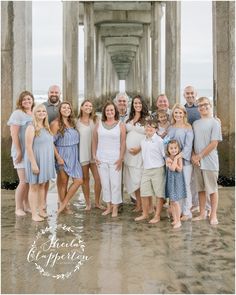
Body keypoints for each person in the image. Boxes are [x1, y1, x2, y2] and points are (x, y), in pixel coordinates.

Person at [191, 97, 222, 225]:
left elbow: (214, 143)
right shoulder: (195, 123)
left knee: (212, 189)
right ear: (198, 108)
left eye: (205, 105)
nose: (203, 107)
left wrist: (199, 156)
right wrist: (194, 156)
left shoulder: (215, 122)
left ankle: (213, 214)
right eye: (200, 105)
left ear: (210, 105)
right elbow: (192, 142)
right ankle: (202, 213)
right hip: (197, 162)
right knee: (201, 189)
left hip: (210, 161)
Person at [92, 101, 126, 217]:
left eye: (112, 110)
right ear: (104, 112)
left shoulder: (120, 125)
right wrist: (94, 155)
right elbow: (95, 141)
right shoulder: (99, 124)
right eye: (107, 110)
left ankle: (115, 208)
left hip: (115, 158)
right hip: (101, 157)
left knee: (115, 184)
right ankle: (108, 207)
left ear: (115, 111)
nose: (109, 112)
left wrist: (121, 158)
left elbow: (123, 142)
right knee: (105, 183)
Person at [50, 101, 83, 214]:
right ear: (60, 110)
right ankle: (64, 207)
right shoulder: (56, 123)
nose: (66, 109)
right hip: (62, 154)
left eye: (68, 108)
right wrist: (58, 157)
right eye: (64, 108)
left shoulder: (72, 122)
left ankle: (63, 204)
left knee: (79, 180)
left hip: (74, 154)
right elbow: (51, 142)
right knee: (63, 182)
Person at [24, 104, 56, 221]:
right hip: (35, 160)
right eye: (39, 111)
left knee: (43, 185)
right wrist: (33, 163)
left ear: (46, 114)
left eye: (43, 111)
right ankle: (34, 214)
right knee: (34, 186)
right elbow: (28, 147)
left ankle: (41, 209)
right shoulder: (31, 127)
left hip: (45, 161)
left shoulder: (46, 127)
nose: (41, 113)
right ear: (35, 113)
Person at [7, 91, 35, 216]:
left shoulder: (34, 113)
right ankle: (18, 207)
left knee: (28, 180)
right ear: (20, 102)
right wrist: (18, 151)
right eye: (24, 100)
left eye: (29, 99)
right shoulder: (17, 114)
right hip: (20, 151)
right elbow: (13, 134)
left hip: (30, 152)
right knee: (23, 181)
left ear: (33, 100)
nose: (27, 101)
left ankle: (27, 205)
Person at [134, 119, 166, 224]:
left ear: (156, 129)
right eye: (147, 126)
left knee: (159, 194)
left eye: (152, 126)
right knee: (144, 193)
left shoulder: (160, 141)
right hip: (146, 170)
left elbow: (165, 155)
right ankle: (145, 214)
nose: (149, 128)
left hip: (158, 169)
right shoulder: (143, 141)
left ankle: (157, 216)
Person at [167, 103, 194, 221]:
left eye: (180, 112)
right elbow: (166, 144)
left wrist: (178, 157)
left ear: (184, 114)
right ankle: (177, 211)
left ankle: (187, 212)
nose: (178, 114)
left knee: (186, 185)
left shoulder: (188, 128)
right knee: (176, 186)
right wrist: (167, 158)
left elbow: (188, 147)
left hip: (185, 161)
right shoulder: (171, 127)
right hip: (172, 162)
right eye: (176, 112)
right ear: (173, 114)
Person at [123, 95, 149, 212]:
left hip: (140, 153)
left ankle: (145, 206)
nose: (137, 105)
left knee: (140, 180)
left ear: (143, 104)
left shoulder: (147, 118)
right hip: (128, 155)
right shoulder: (129, 118)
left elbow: (150, 136)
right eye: (135, 103)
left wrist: (139, 148)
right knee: (133, 180)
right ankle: (138, 205)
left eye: (139, 103)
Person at [76, 99, 103, 210]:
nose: (88, 107)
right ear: (81, 107)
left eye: (90, 106)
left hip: (95, 153)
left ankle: (97, 202)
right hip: (82, 153)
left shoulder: (96, 119)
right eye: (86, 105)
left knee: (98, 178)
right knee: (85, 179)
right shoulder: (76, 122)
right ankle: (88, 203)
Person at [165, 140, 187, 229]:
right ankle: (175, 219)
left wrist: (176, 159)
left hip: (177, 181)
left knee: (176, 201)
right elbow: (173, 168)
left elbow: (179, 169)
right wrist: (176, 159)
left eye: (175, 148)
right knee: (172, 201)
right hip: (170, 181)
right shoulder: (167, 158)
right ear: (168, 149)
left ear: (178, 148)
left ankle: (178, 221)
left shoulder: (179, 158)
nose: (173, 150)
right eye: (171, 148)